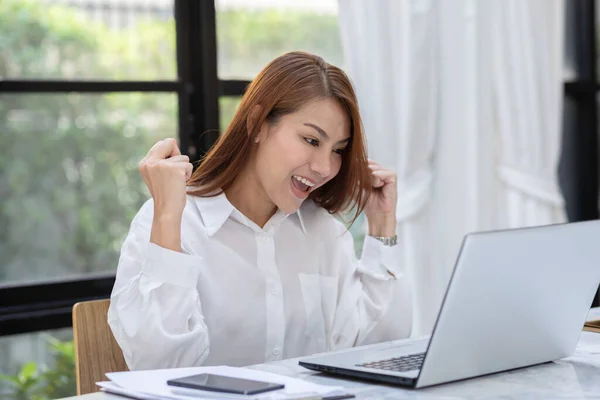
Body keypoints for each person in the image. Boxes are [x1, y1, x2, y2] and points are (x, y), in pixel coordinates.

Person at [108, 51, 406, 371]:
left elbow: (379, 355)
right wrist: (167, 216)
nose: (324, 167)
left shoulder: (325, 232)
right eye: (310, 139)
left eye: (337, 150)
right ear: (257, 124)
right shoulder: (173, 222)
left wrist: (381, 225)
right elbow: (158, 369)